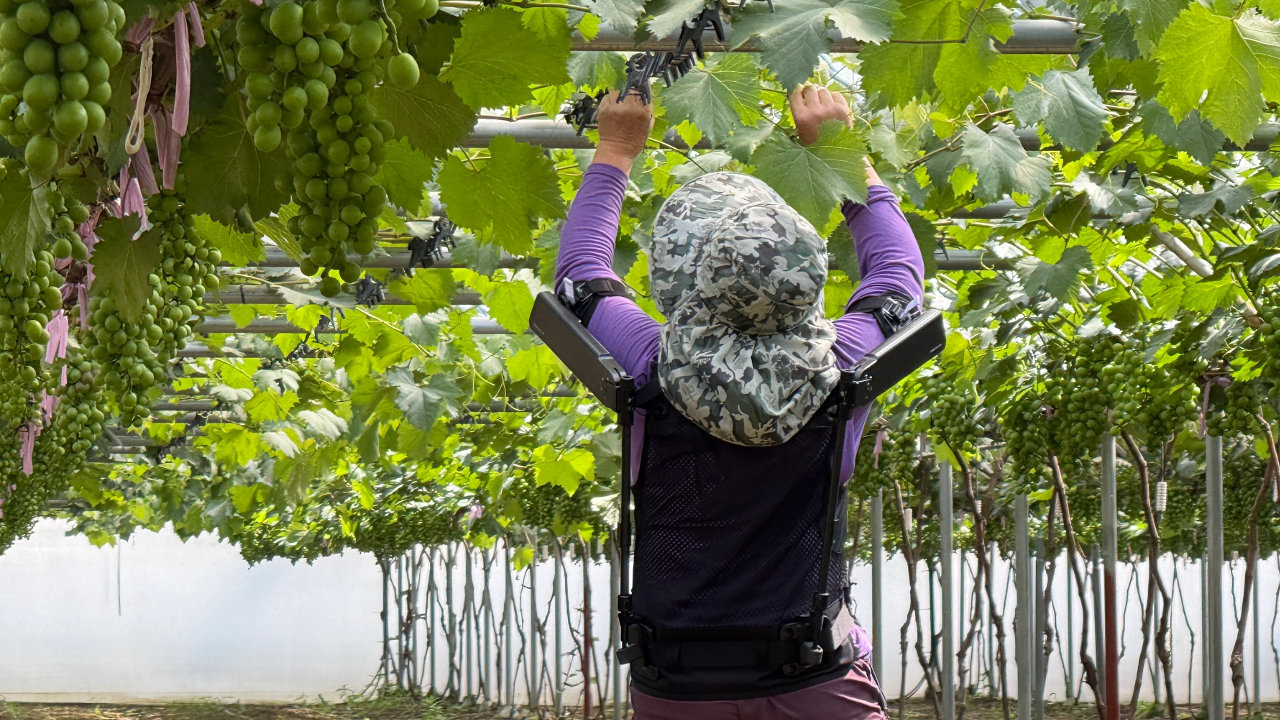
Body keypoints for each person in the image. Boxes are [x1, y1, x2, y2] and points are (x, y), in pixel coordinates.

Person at [554, 84, 925, 719]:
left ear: (678, 272)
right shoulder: (841, 364)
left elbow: (581, 276)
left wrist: (616, 147)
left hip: (676, 681)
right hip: (815, 676)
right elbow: (897, 277)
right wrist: (839, 148)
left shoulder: (650, 363)